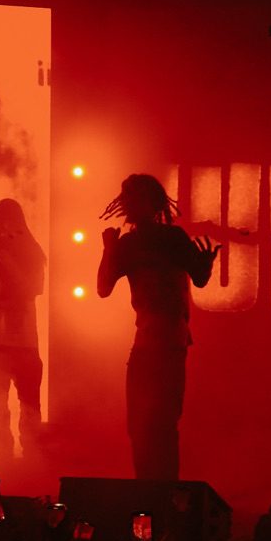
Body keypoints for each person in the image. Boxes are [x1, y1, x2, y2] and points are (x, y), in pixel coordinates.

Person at [96, 174, 221, 481]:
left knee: (161, 422)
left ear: (153, 203)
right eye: (128, 197)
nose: (130, 204)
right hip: (146, 341)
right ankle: (147, 489)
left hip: (169, 341)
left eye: (137, 198)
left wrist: (205, 265)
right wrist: (109, 249)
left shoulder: (171, 238)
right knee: (139, 423)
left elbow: (200, 278)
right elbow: (102, 288)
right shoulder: (128, 244)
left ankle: (164, 492)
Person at [0, 199, 45, 459]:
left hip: (24, 342)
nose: (3, 229)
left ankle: (32, 463)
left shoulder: (32, 252)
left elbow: (33, 288)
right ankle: (3, 463)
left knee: (29, 406)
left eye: (8, 222)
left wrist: (5, 257)